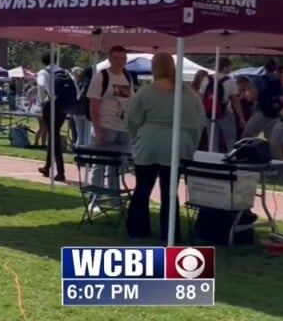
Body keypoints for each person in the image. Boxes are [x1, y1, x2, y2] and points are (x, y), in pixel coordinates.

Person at [125, 52, 206, 242]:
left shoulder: (145, 92)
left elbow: (132, 120)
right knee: (170, 192)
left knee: (142, 188)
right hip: (177, 145)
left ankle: (138, 228)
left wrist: (137, 138)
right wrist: (190, 144)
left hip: (149, 144)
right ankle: (170, 232)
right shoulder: (188, 94)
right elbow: (199, 121)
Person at [86, 46, 135, 210]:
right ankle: (94, 199)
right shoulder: (101, 76)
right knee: (100, 164)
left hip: (123, 127)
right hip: (105, 126)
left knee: (117, 165)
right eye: (116, 58)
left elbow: (131, 102)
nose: (120, 61)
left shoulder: (127, 77)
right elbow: (93, 104)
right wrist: (97, 129)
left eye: (122, 58)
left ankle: (114, 198)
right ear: (109, 59)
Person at [199, 57, 244, 153]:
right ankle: (230, 158)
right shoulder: (230, 81)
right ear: (225, 67)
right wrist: (241, 118)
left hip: (209, 113)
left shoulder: (206, 79)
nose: (230, 69)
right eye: (229, 67)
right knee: (230, 139)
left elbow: (201, 97)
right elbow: (236, 101)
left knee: (212, 140)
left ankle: (212, 160)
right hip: (226, 113)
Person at [36, 53, 66, 181]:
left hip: (51, 105)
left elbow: (41, 87)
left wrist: (43, 101)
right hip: (64, 106)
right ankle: (47, 166)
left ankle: (60, 171)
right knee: (53, 136)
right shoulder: (65, 72)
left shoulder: (43, 72)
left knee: (54, 137)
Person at [243, 59, 282, 140]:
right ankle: (272, 152)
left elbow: (252, 97)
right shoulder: (280, 80)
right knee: (272, 139)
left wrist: (246, 95)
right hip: (276, 112)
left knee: (247, 136)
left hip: (261, 110)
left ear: (265, 67)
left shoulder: (258, 80)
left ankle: (247, 152)